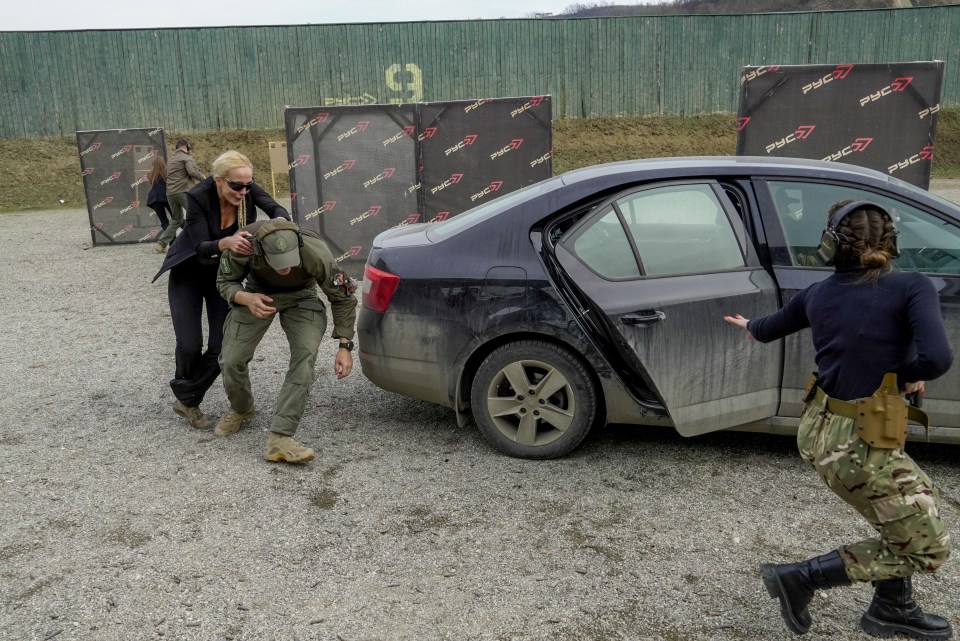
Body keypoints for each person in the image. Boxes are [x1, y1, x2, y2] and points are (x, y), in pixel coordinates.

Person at [724, 199, 953, 639]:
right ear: (893, 242)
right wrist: (905, 376)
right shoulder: (913, 285)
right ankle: (802, 577)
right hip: (860, 441)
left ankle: (892, 608)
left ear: (829, 245)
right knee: (928, 546)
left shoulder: (817, 293)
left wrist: (747, 323)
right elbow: (937, 359)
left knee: (906, 510)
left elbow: (764, 329)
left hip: (823, 432)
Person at [153, 150, 289, 430]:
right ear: (219, 180)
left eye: (248, 185)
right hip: (188, 272)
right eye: (236, 185)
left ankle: (186, 399)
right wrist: (227, 242)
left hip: (222, 277)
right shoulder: (197, 197)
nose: (243, 191)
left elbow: (278, 211)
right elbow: (201, 245)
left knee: (221, 347)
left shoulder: (246, 188)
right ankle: (189, 397)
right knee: (189, 344)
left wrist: (275, 230)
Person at [215, 218, 358, 464]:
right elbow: (224, 281)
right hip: (257, 293)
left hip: (302, 296)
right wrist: (244, 297)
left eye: (290, 261)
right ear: (259, 249)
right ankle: (242, 408)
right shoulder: (244, 245)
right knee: (231, 359)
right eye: (278, 263)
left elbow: (343, 297)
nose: (286, 269)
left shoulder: (315, 251)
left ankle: (280, 436)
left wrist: (344, 347)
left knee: (304, 360)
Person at [155, 138, 205, 253]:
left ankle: (161, 244)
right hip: (182, 191)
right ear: (187, 147)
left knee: (176, 219)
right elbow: (192, 172)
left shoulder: (171, 159)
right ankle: (197, 242)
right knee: (197, 215)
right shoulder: (186, 158)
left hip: (170, 193)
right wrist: (204, 178)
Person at [146, 156, 170, 231]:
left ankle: (173, 241)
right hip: (166, 197)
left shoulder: (150, 174)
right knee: (178, 219)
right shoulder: (167, 172)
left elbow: (152, 184)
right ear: (163, 163)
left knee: (164, 222)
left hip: (155, 200)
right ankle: (190, 234)